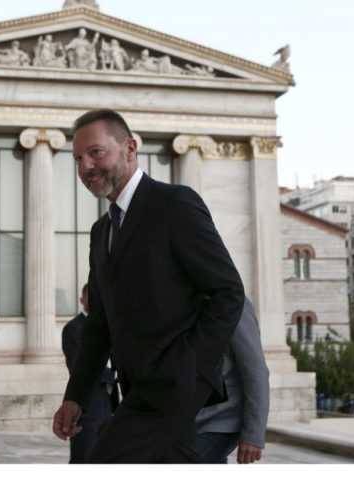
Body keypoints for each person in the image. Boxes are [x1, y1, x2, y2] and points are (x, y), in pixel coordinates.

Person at [52, 109, 245, 463]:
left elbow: (228, 292)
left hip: (174, 389)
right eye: (78, 159)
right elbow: (99, 325)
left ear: (130, 148)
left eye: (96, 153)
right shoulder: (101, 232)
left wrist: (188, 370)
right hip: (137, 391)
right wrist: (75, 396)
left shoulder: (175, 204)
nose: (85, 167)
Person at [195, 297, 269, 464]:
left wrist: (253, 435)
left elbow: (255, 369)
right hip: (189, 421)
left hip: (220, 420)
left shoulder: (233, 300)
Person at [61, 283, 118, 463]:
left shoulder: (110, 327)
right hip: (87, 404)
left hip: (108, 403)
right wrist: (112, 375)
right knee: (83, 457)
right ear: (81, 300)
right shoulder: (73, 328)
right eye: (91, 297)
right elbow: (78, 365)